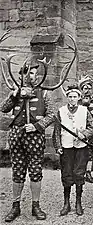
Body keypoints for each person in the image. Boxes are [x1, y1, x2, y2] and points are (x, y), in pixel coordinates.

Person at [1, 63, 55, 222]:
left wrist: (37, 126)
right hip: (16, 136)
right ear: (21, 76)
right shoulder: (15, 91)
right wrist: (13, 95)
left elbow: (52, 115)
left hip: (34, 138)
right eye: (26, 74)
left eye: (32, 73)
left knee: (35, 171)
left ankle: (35, 206)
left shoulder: (44, 93)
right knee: (17, 171)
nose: (29, 76)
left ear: (36, 76)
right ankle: (15, 206)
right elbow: (3, 108)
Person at [52, 84, 93, 216]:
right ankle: (66, 203)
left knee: (79, 174)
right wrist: (58, 146)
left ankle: (78, 203)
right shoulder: (61, 111)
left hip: (81, 147)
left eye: (75, 97)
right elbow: (57, 131)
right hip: (66, 147)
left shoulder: (84, 110)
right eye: (70, 96)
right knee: (66, 174)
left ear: (79, 97)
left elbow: (91, 127)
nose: (72, 99)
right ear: (67, 97)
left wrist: (84, 134)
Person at [78, 76, 93, 183]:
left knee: (89, 153)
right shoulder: (77, 103)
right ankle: (79, 173)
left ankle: (88, 173)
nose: (87, 91)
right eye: (85, 88)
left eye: (89, 88)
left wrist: (91, 122)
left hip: (90, 133)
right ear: (81, 90)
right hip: (79, 133)